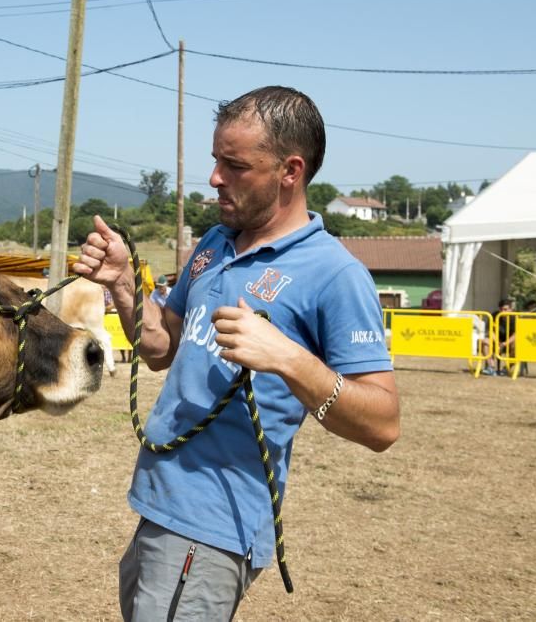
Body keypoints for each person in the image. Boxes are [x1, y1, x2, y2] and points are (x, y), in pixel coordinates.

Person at [74, 85, 400, 621]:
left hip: (212, 528)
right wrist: (127, 288)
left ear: (289, 172)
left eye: (235, 164)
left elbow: (383, 425)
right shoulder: (214, 244)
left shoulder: (336, 276)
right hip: (159, 504)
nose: (215, 177)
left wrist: (290, 359)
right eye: (215, 160)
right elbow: (161, 349)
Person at [494, 298, 516, 375]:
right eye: (501, 309)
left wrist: (504, 344)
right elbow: (490, 331)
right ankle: (490, 368)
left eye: (505, 309)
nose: (503, 312)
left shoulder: (515, 317)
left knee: (516, 346)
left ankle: (507, 368)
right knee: (485, 341)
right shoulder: (494, 316)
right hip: (497, 341)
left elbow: (516, 334)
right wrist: (497, 342)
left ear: (511, 309)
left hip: (510, 342)